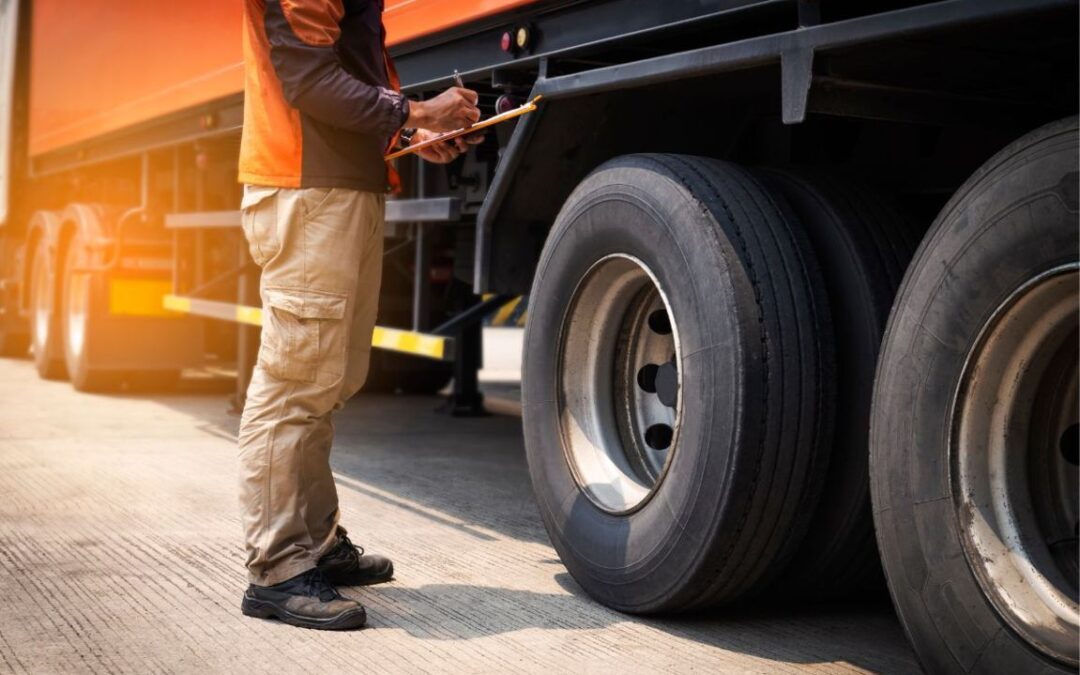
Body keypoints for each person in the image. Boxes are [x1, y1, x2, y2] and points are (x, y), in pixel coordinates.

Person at [236, 0, 482, 630]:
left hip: (338, 189)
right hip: (307, 191)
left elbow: (344, 71)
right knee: (295, 383)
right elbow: (308, 78)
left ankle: (314, 543)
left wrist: (409, 135)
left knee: (328, 379)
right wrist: (417, 110)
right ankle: (276, 569)